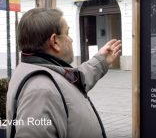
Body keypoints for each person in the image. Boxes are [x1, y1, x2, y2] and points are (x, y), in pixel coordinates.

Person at [6, 8, 122, 138]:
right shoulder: (40, 90)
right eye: (67, 33)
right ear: (55, 41)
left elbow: (71, 82)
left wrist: (100, 61)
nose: (71, 39)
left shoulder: (38, 69)